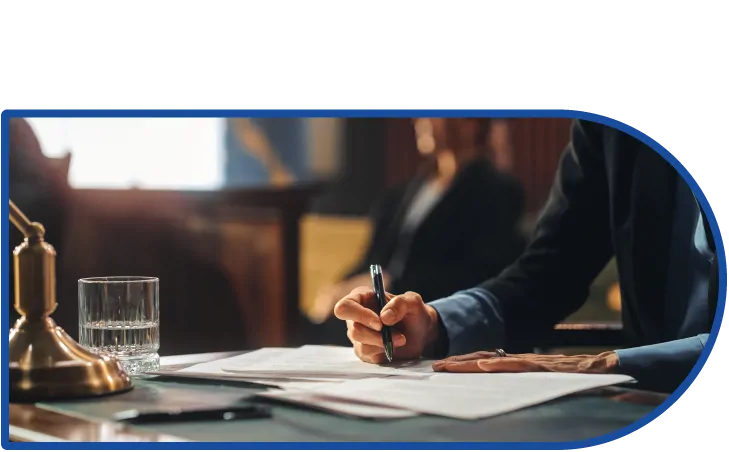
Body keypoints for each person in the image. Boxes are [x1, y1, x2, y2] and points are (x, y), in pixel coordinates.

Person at [334, 119, 718, 394]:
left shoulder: (490, 188)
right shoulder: (609, 126)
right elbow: (551, 270)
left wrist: (608, 364)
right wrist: (435, 325)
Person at [310, 117, 526, 324]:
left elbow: (474, 274)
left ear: (470, 123)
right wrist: (341, 288)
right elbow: (373, 257)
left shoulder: (496, 191)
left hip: (429, 314)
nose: (419, 119)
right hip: (377, 305)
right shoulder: (404, 192)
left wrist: (392, 284)